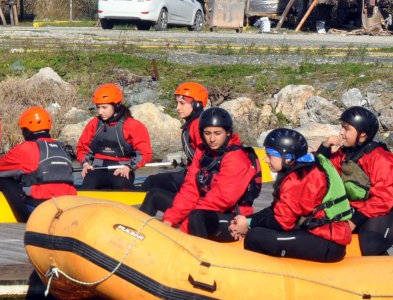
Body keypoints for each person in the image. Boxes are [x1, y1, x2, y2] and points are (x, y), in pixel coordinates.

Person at [229, 128, 352, 262]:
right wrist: (246, 219)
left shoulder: (300, 177)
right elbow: (276, 210)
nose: (267, 160)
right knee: (256, 227)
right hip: (318, 235)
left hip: (328, 242)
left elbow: (282, 223)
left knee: (255, 237)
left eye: (270, 155)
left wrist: (248, 223)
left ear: (287, 158)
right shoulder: (300, 168)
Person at [317, 106, 393, 256]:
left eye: (346, 129)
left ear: (363, 134)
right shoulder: (344, 155)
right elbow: (320, 171)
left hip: (383, 213)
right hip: (355, 210)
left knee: (371, 246)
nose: (341, 133)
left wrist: (353, 222)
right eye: (341, 128)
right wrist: (324, 148)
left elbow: (382, 200)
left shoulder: (381, 158)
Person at [161, 107, 260, 241]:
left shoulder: (236, 158)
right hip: (208, 211)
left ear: (228, 133)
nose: (212, 139)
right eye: (207, 133)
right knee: (156, 196)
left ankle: (198, 255)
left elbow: (222, 199)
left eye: (217, 133)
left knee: (196, 217)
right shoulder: (202, 152)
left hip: (233, 219)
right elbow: (190, 190)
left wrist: (183, 229)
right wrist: (169, 220)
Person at [0, 106, 76, 221]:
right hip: (67, 205)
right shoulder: (62, 148)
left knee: (1, 180)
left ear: (26, 130)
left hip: (37, 206)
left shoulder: (24, 148)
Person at [140, 81, 207, 216]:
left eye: (182, 103)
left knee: (152, 182)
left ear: (196, 104)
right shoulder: (194, 123)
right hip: (194, 176)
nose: (177, 108)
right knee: (158, 181)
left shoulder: (197, 125)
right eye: (177, 103)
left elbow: (204, 157)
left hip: (195, 179)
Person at [76, 83, 152, 190]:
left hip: (122, 169)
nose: (100, 112)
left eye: (104, 107)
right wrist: (85, 164)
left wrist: (129, 167)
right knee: (88, 184)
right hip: (97, 168)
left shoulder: (133, 125)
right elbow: (82, 148)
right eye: (98, 107)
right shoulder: (94, 123)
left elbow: (145, 153)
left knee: (121, 185)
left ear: (116, 105)